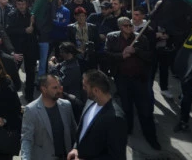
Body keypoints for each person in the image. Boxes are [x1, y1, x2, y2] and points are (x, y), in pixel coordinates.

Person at [104, 16, 159, 149]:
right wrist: (121, 56)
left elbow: (150, 56)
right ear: (120, 27)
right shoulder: (112, 38)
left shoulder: (141, 38)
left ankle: (151, 137)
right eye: (126, 25)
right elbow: (106, 55)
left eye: (131, 25)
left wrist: (136, 51)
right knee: (126, 106)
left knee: (144, 109)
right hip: (122, 79)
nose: (129, 27)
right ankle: (127, 129)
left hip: (139, 79)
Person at [68, 70, 127, 160]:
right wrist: (76, 148)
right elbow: (82, 131)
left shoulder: (116, 118)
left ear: (96, 90)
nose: (83, 88)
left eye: (85, 86)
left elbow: (116, 156)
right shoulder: (90, 101)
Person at [20, 74, 77, 160]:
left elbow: (75, 132)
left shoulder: (66, 106)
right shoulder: (31, 110)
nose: (59, 90)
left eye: (59, 87)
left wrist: (76, 149)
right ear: (44, 89)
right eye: (54, 88)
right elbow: (27, 139)